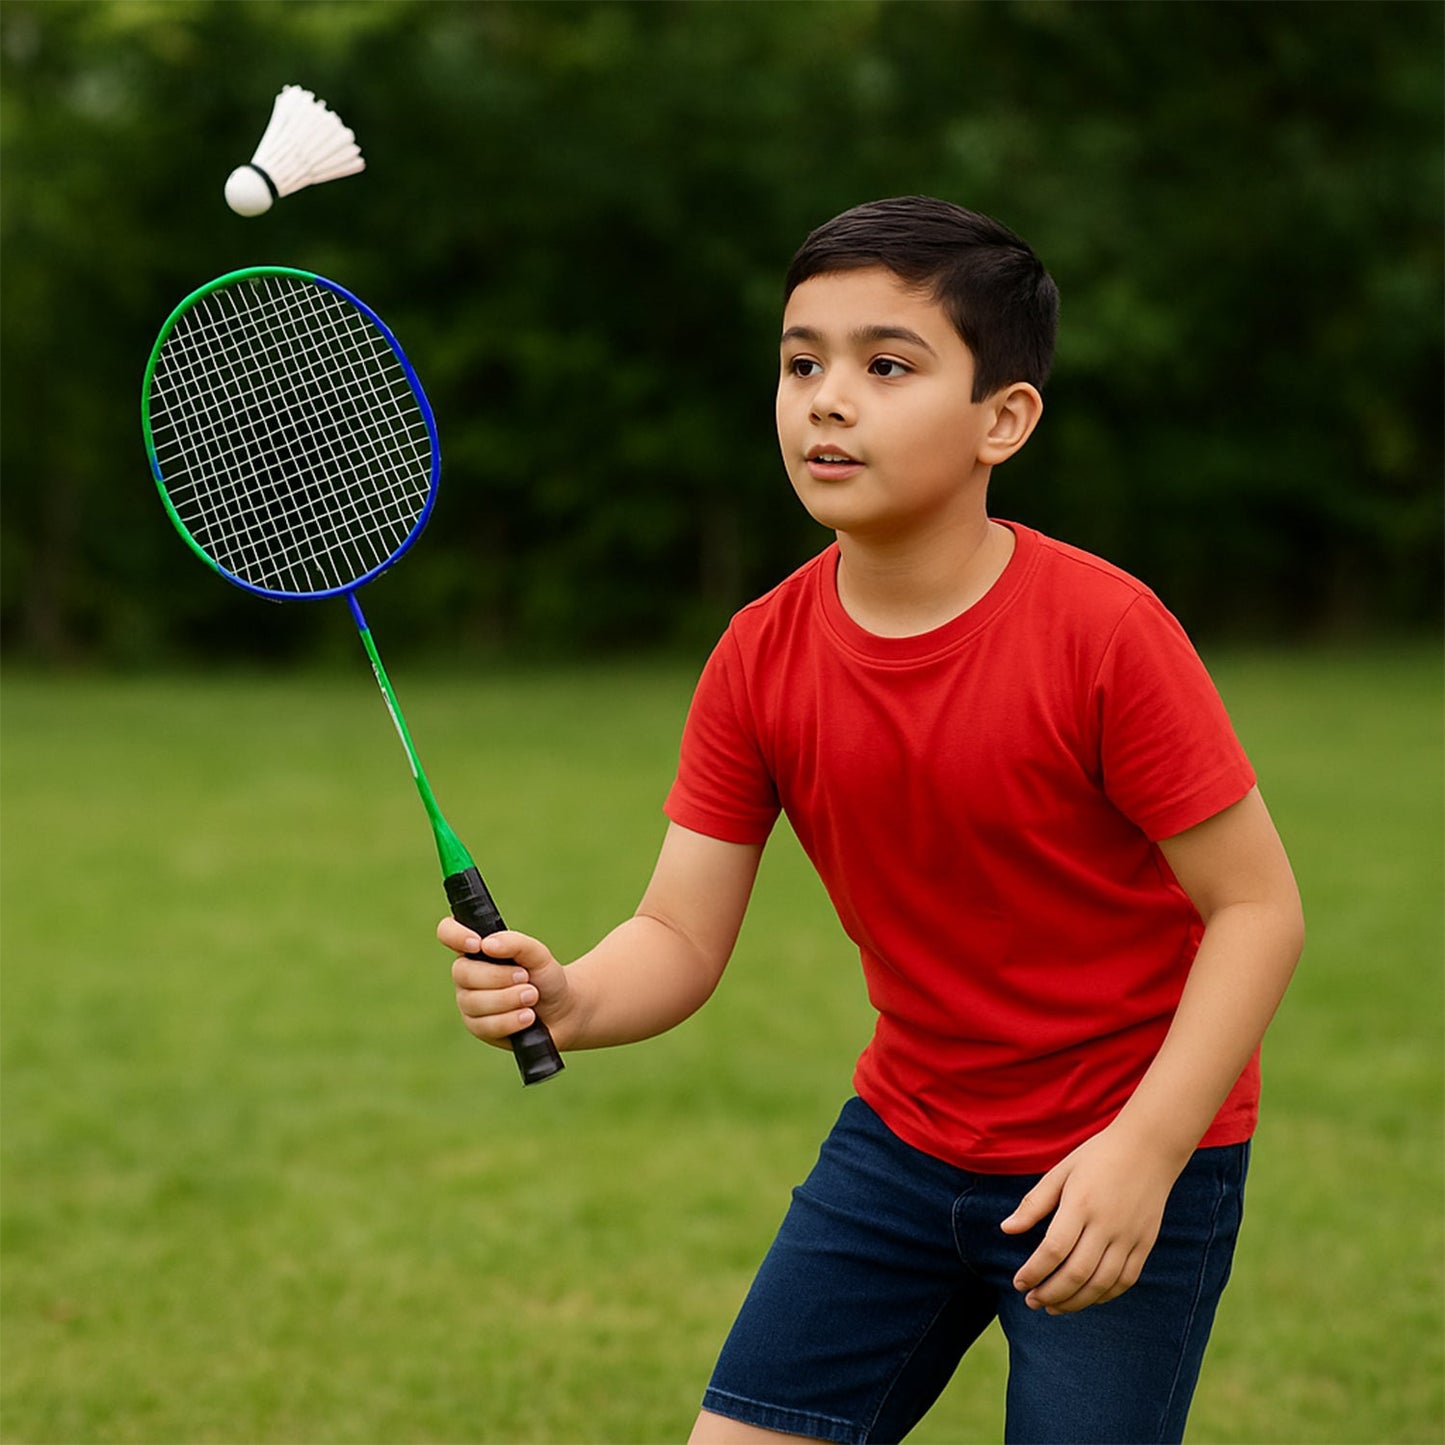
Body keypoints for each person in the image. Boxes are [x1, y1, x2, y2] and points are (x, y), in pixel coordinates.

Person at [440, 196, 1305, 1445]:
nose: (825, 398)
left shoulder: (1104, 634)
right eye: (801, 363)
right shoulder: (756, 654)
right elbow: (678, 934)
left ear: (1000, 419)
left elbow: (1255, 906)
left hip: (1115, 1153)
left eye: (884, 365)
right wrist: (569, 994)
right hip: (901, 1146)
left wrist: (1145, 1152)